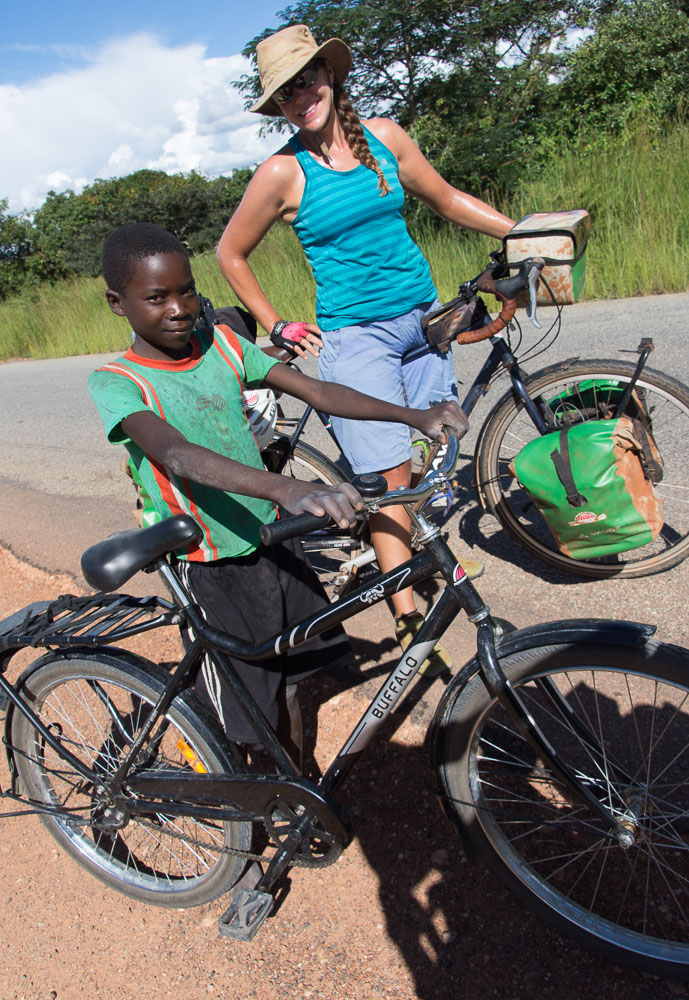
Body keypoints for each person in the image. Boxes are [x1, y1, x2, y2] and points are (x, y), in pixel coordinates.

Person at [88, 222, 466, 766]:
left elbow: (318, 390)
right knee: (245, 706)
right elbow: (176, 454)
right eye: (157, 297)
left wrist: (413, 416)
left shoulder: (221, 344)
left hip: (274, 538)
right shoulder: (118, 380)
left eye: (187, 291)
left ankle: (292, 785)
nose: (179, 308)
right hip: (210, 558)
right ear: (117, 303)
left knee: (287, 682)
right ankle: (233, 784)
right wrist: (288, 487)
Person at [216, 23, 514, 665]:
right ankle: (408, 621)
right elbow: (230, 253)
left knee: (437, 450)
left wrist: (523, 234)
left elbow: (446, 199)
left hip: (422, 320)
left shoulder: (383, 137)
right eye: (286, 93)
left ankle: (401, 547)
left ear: (330, 75)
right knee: (390, 477)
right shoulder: (283, 171)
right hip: (356, 338)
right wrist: (277, 324)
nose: (301, 97)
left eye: (307, 80)